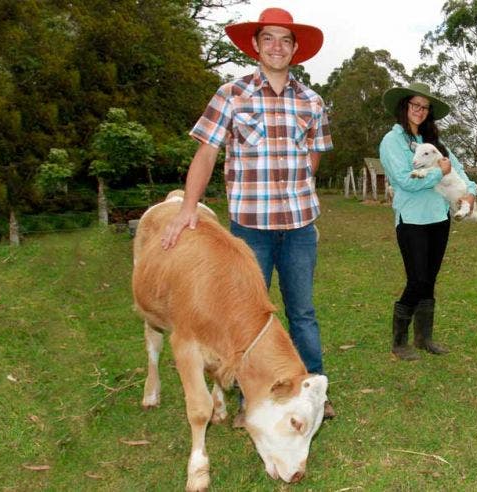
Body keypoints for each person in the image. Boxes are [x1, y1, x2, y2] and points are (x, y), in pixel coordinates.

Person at [160, 7, 335, 419]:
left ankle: (314, 393)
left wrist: (300, 190)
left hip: (299, 229)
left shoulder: (312, 101)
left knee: (302, 313)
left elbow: (313, 154)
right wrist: (188, 208)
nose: (277, 47)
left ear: (296, 49)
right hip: (249, 230)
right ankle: (247, 400)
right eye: (269, 38)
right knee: (244, 320)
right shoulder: (230, 94)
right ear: (256, 45)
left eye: (285, 40)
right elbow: (206, 153)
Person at [378, 82, 477, 360]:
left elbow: (456, 168)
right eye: (415, 105)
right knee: (418, 278)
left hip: (439, 218)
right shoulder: (392, 141)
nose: (419, 111)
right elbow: (404, 180)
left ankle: (424, 338)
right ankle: (399, 341)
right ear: (404, 106)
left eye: (424, 107)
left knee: (429, 278)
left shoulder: (434, 142)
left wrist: (470, 192)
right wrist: (439, 172)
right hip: (412, 220)